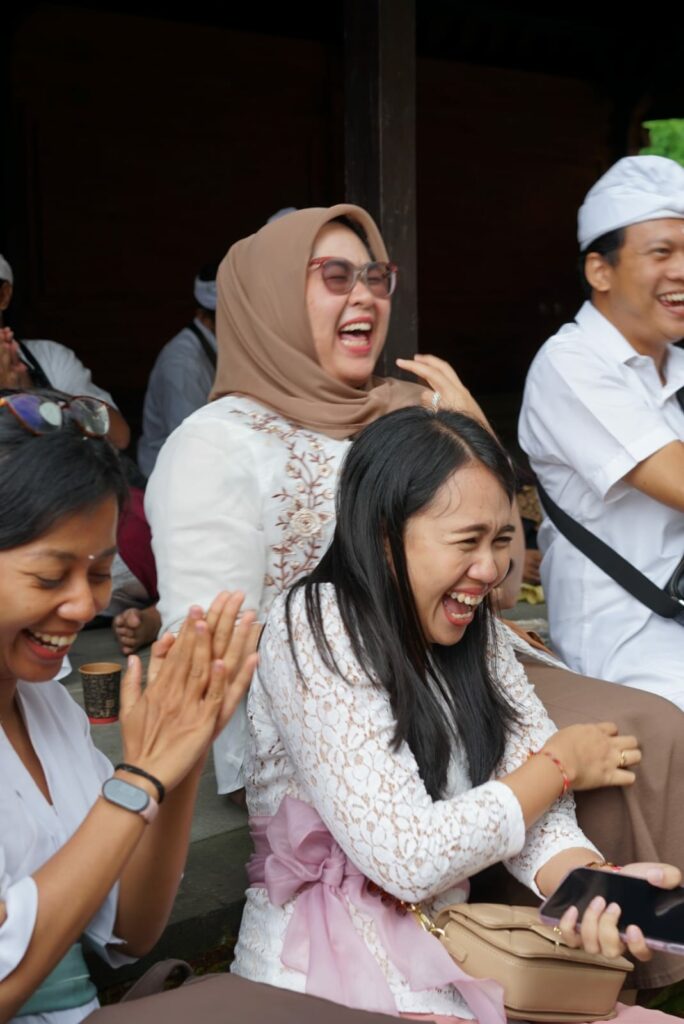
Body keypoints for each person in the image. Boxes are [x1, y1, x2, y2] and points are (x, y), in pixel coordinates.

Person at [232, 406, 680, 1023]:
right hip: (320, 976)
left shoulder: (477, 635)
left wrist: (598, 886)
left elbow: (540, 821)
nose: (491, 570)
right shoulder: (316, 623)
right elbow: (407, 857)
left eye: (500, 541)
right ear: (385, 533)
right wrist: (559, 765)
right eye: (467, 541)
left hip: (454, 964)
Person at [145, 205, 425, 798]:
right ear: (271, 301)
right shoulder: (216, 442)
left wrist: (472, 432)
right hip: (315, 755)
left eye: (375, 277)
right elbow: (203, 655)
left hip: (447, 699)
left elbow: (500, 585)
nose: (365, 295)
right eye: (335, 276)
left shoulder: (407, 411)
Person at [0, 388, 256, 1023]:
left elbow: (128, 934)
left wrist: (180, 756)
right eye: (49, 576)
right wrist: (137, 780)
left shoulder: (48, 710)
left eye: (99, 574)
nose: (83, 606)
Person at [518, 155, 684, 707]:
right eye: (661, 252)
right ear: (600, 271)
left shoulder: (678, 366)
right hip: (633, 663)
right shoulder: (571, 363)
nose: (681, 270)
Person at [137, 263, 219, 479]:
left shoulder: (219, 346)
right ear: (203, 317)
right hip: (170, 476)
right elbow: (192, 447)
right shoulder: (182, 365)